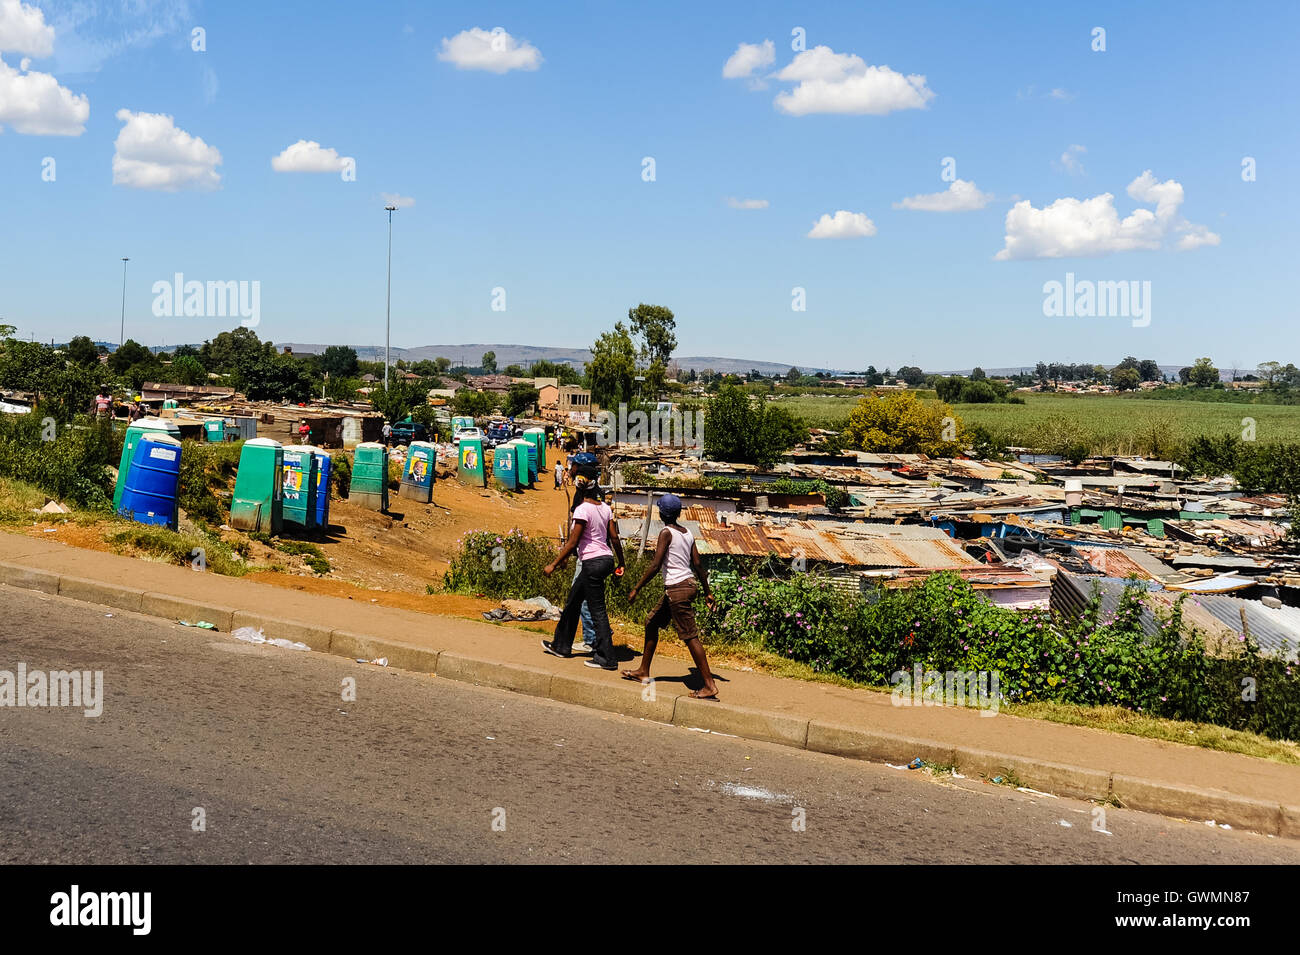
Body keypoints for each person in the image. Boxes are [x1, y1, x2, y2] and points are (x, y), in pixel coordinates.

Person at [623, 493, 719, 700]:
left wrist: (637, 588)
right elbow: (698, 565)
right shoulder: (687, 533)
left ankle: (709, 685)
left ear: (661, 513)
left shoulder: (666, 533)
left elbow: (656, 565)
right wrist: (707, 592)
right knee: (652, 622)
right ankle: (643, 671)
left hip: (677, 590)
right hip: (686, 586)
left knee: (690, 636)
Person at [541, 476, 624, 670]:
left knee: (597, 610)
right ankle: (561, 646)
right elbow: (614, 537)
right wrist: (621, 562)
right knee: (573, 603)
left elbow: (573, 542)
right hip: (605, 559)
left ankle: (607, 658)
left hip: (592, 563)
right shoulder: (605, 508)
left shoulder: (582, 509)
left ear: (580, 492)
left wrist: (554, 564)